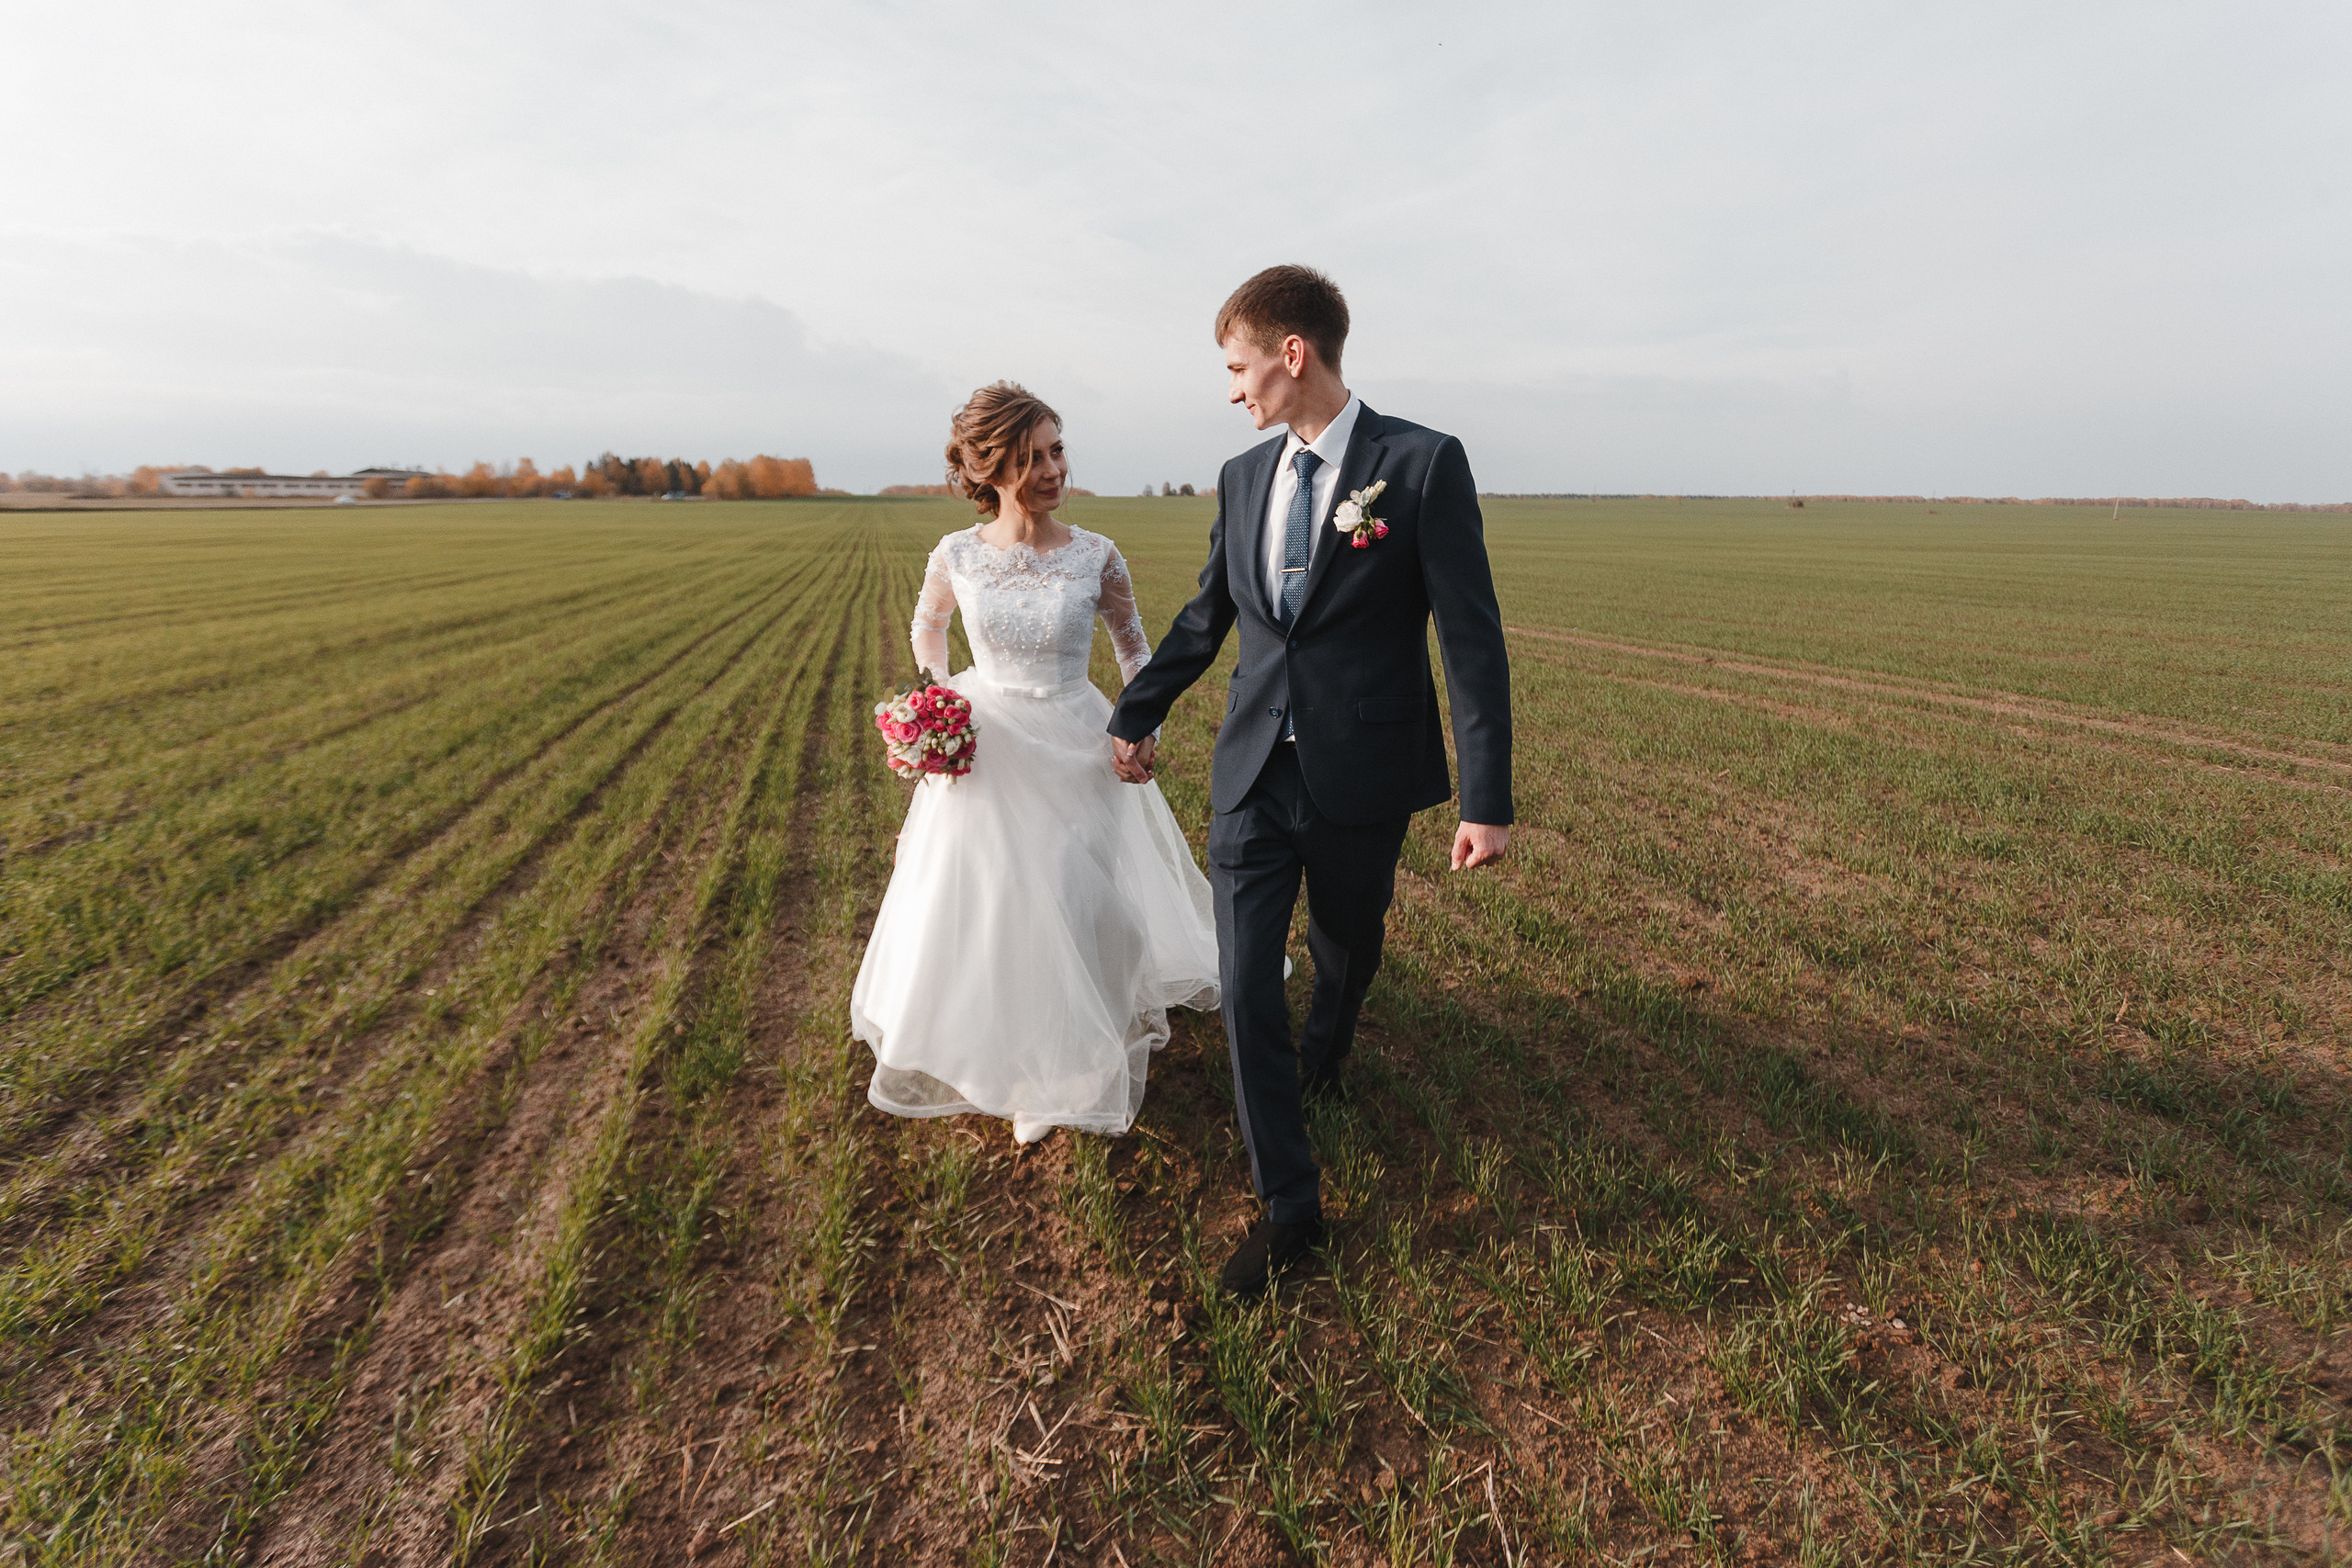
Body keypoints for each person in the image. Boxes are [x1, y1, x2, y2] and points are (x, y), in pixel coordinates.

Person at [1107, 265, 1514, 1297]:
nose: (1233, 389)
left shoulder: (1419, 464)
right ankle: (1291, 1208)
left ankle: (1328, 1051)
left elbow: (1470, 639)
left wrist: (1487, 799)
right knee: (1244, 983)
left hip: (1362, 770)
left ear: (1293, 355)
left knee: (1345, 949)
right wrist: (1137, 708)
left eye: (1239, 365)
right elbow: (1209, 617)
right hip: (1251, 770)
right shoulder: (1243, 477)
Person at [851, 383, 1220, 1145]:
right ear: (991, 471)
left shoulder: (1096, 554)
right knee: (1002, 903)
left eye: (1057, 449)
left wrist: (1140, 718)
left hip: (1077, 740)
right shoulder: (957, 554)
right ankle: (1019, 1062)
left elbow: (1132, 646)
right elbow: (929, 626)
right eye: (1032, 457)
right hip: (988, 746)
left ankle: (1080, 1051)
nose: (1054, 468)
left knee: (1079, 896)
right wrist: (937, 700)